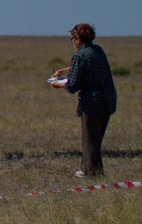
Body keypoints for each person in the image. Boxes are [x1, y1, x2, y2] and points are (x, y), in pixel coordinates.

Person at [50, 22, 117, 177]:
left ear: (78, 39)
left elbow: (72, 86)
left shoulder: (79, 55)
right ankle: (89, 169)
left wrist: (58, 84)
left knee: (89, 140)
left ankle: (92, 173)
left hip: (92, 103)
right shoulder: (97, 50)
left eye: (74, 39)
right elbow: (82, 66)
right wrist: (63, 70)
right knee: (96, 138)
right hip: (108, 99)